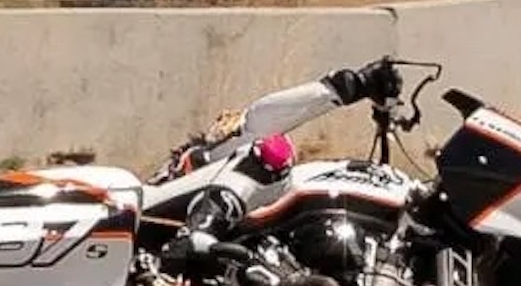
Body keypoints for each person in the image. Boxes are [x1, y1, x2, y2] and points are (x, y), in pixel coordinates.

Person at [145, 58, 405, 274]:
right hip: (158, 229)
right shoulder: (207, 160)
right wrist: (349, 86)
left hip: (228, 250)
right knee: (271, 153)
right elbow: (259, 127)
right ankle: (199, 232)